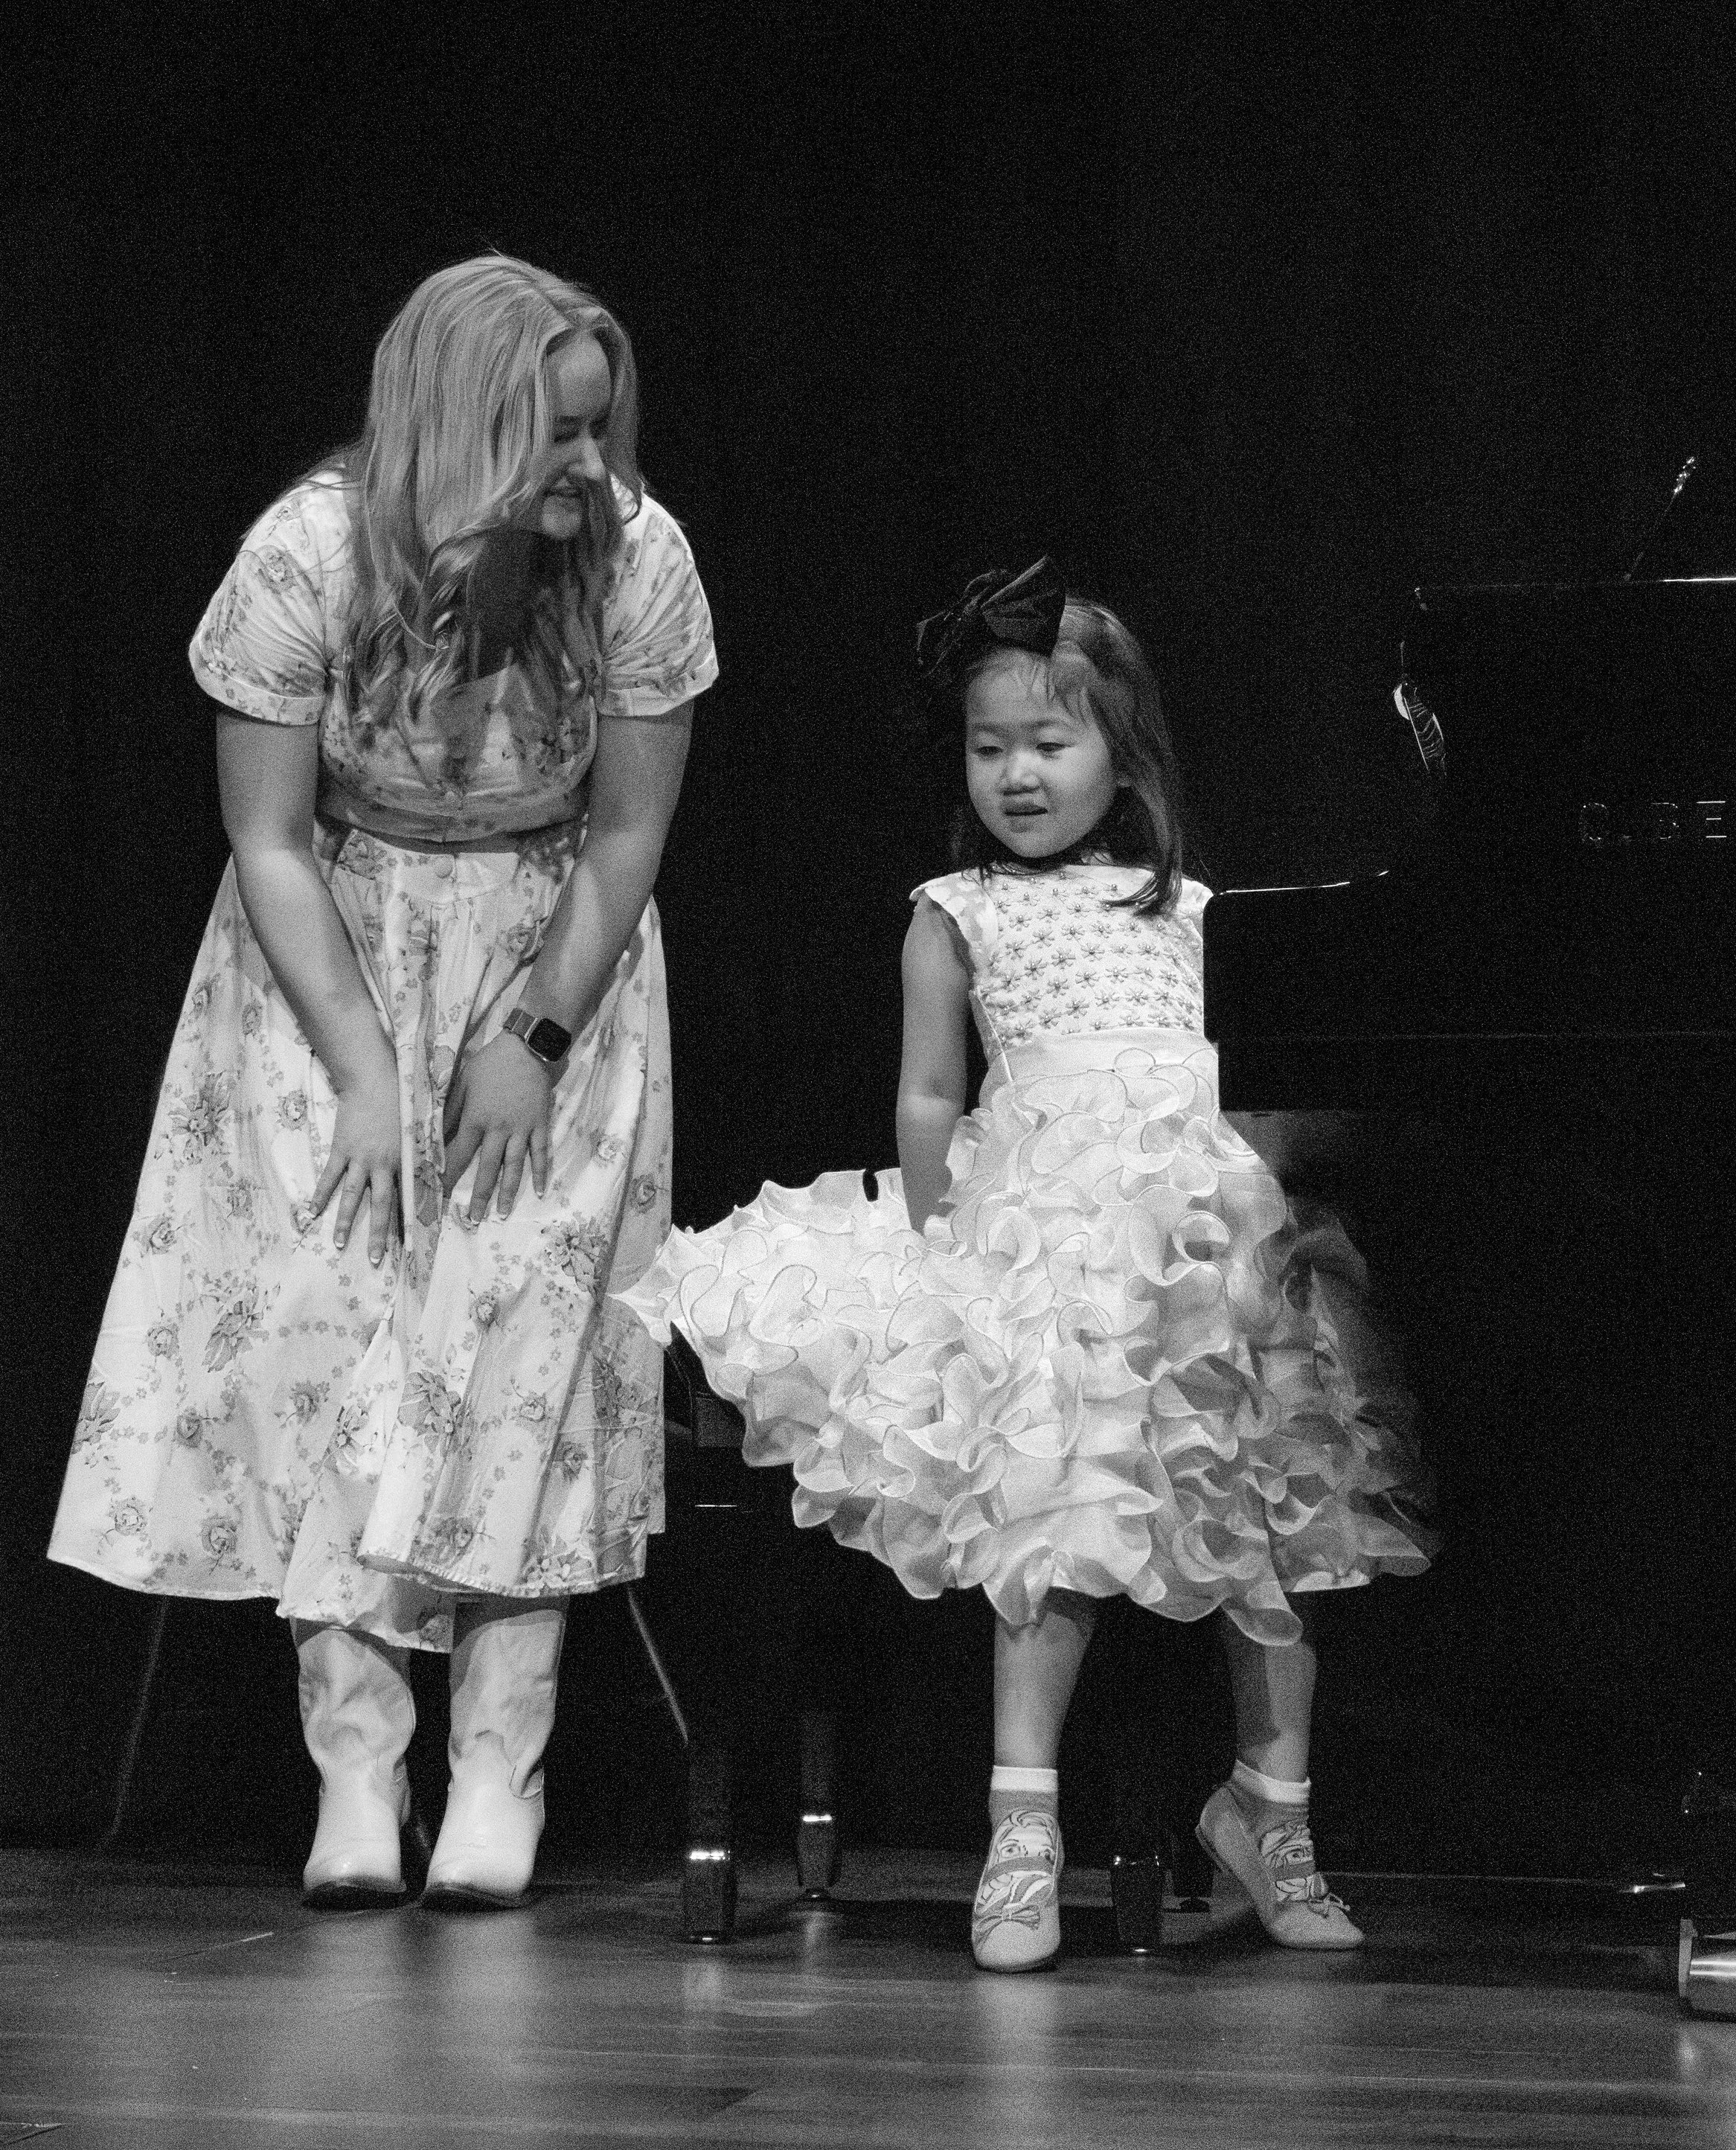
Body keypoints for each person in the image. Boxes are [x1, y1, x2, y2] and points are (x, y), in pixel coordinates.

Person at [624, 560, 1429, 1971]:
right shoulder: (959, 909)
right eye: (991, 748)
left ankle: (1272, 1808)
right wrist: (951, 1240)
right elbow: (931, 1097)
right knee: (1052, 1509)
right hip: (1036, 1250)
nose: (1017, 773)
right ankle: (1022, 1828)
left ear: (1123, 757)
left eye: (1048, 744)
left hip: (1193, 1252)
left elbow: (1254, 1089)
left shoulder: (1188, 912)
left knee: (1274, 1523)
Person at [51, 254, 717, 1911]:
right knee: (340, 1333)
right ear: (459, 426)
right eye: (553, 437)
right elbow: (268, 836)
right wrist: (362, 1070)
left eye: (596, 431)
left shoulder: (636, 558)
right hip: (328, 952)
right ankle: (357, 1768)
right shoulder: (305, 554)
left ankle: (501, 1771)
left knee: (518, 1348)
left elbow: (628, 830)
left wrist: (531, 1038)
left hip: (546, 948)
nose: (587, 469)